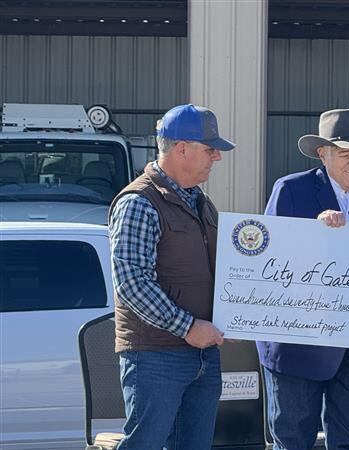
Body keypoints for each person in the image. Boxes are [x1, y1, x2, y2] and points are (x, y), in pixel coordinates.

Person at [256, 107, 349, 450]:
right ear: (323, 154)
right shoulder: (291, 190)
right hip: (299, 343)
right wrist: (314, 233)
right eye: (345, 154)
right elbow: (267, 260)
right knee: (292, 441)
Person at [109, 104, 235, 449]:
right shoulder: (139, 202)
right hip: (156, 356)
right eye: (210, 149)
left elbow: (225, 267)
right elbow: (132, 282)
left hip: (202, 353)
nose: (217, 158)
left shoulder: (201, 203)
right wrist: (188, 327)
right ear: (181, 149)